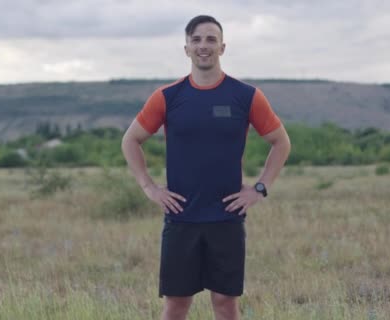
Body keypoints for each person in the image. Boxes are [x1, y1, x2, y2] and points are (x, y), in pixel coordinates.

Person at [121, 15, 291, 320]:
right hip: (181, 218)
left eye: (211, 40)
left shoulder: (245, 95)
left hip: (226, 218)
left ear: (222, 47)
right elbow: (131, 140)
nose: (204, 46)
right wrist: (149, 187)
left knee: (226, 305)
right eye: (196, 40)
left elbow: (281, 142)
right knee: (176, 306)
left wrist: (259, 189)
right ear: (186, 48)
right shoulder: (168, 97)